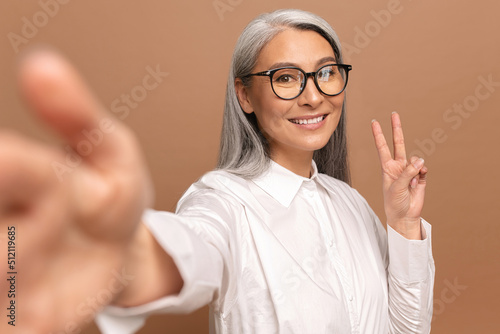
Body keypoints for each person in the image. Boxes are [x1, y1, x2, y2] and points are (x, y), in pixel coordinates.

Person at [0, 8, 434, 334]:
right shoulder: (223, 201)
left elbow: (406, 329)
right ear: (245, 95)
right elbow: (196, 247)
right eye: (286, 78)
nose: (313, 97)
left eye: (325, 73)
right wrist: (131, 259)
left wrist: (403, 224)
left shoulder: (350, 204)